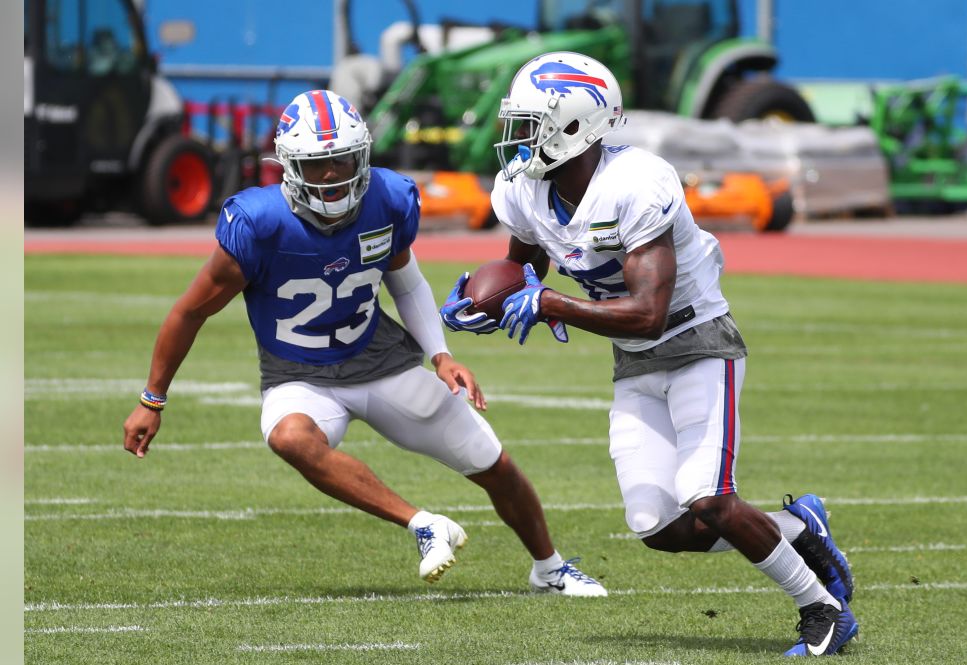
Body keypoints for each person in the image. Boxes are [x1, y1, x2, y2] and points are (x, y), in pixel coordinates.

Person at [441, 53, 857, 655]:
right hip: (635, 360)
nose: (520, 138)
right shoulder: (525, 188)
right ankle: (801, 527)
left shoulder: (637, 183)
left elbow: (648, 311)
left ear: (576, 126)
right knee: (657, 527)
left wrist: (550, 304)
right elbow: (525, 263)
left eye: (533, 123)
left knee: (708, 497)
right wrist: (489, 297)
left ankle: (821, 608)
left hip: (696, 344)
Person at [122, 89, 606, 597]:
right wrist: (152, 400)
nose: (332, 175)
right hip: (298, 377)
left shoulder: (387, 199)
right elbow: (190, 311)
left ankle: (549, 569)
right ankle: (423, 524)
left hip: (380, 365)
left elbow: (407, 281)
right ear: (289, 166)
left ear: (363, 155)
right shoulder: (258, 224)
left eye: (341, 160)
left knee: (492, 463)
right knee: (289, 437)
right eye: (317, 164)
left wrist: (441, 356)